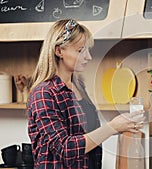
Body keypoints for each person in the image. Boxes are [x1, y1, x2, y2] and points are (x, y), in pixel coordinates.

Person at [26, 19, 144, 169]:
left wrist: (120, 125)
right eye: (81, 50)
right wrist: (112, 127)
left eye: (88, 50)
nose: (88, 56)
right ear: (59, 51)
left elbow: (88, 135)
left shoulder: (78, 86)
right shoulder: (44, 93)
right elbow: (65, 148)